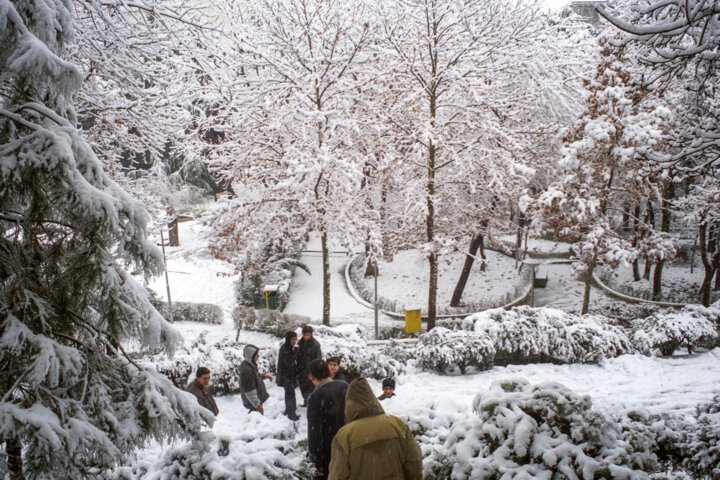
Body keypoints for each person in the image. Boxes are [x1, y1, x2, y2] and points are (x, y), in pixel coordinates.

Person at [328, 378, 422, 480]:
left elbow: (337, 475)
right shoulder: (398, 424)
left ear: (349, 404)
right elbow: (414, 461)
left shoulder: (344, 436)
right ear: (372, 398)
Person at [307, 359, 349, 480]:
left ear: (312, 377)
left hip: (329, 453)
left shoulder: (315, 397)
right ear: (329, 372)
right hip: (350, 444)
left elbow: (314, 432)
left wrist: (316, 462)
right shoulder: (344, 386)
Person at [240, 344, 273, 414]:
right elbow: (250, 391)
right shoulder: (247, 371)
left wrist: (264, 376)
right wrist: (258, 406)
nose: (258, 356)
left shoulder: (250, 364)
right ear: (250, 356)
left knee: (255, 415)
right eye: (256, 354)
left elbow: (254, 377)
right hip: (253, 401)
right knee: (255, 416)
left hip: (255, 399)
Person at [277, 331, 300, 420]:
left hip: (288, 376)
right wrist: (296, 352)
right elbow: (289, 362)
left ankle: (289, 410)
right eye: (293, 339)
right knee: (290, 394)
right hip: (286, 376)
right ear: (288, 339)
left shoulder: (289, 347)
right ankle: (291, 414)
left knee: (289, 394)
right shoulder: (285, 349)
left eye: (295, 339)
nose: (294, 341)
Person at [297, 325, 322, 406]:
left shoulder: (315, 345)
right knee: (302, 386)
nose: (306, 337)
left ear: (311, 335)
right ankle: (306, 401)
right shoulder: (300, 343)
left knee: (311, 388)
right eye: (304, 335)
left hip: (311, 370)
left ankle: (311, 403)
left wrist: (314, 370)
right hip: (301, 369)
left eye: (308, 335)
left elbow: (318, 358)